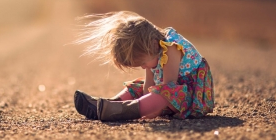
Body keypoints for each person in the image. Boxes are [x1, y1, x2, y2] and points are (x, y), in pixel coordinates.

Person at [73, 11, 214, 121]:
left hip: (190, 96)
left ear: (152, 44)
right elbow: (149, 85)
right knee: (137, 86)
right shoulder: (153, 51)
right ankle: (109, 104)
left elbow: (169, 86)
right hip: (173, 91)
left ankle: (120, 110)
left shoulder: (171, 48)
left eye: (142, 63)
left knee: (166, 92)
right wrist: (146, 98)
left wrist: (154, 110)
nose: (143, 67)